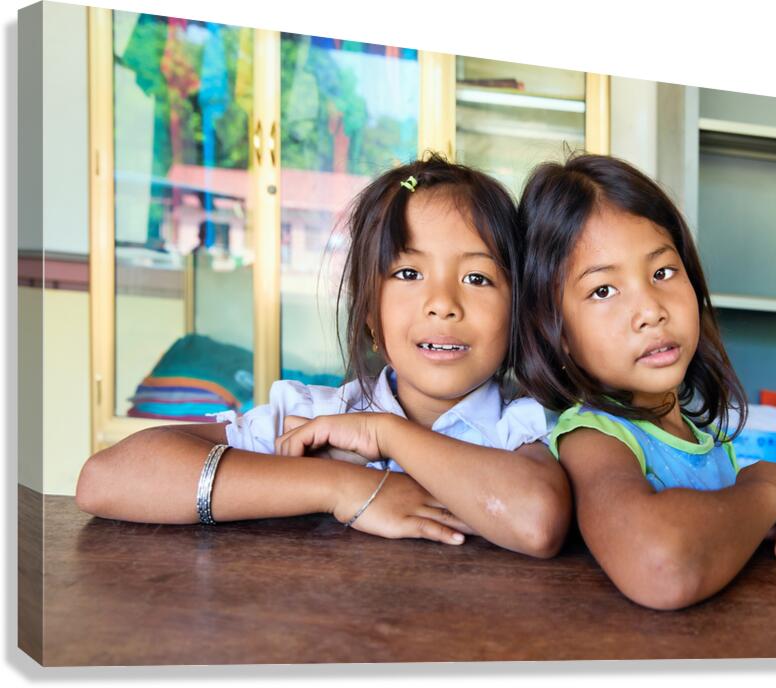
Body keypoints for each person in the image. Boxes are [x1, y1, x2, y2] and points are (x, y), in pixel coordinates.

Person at [76, 154, 571, 559]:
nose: (442, 303)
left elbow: (536, 521)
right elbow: (106, 479)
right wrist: (342, 486)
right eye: (407, 274)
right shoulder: (316, 420)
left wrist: (387, 435)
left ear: (518, 311)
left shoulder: (525, 428)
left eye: (477, 278)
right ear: (370, 313)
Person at [515, 153, 776, 606]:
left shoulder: (707, 442)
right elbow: (661, 565)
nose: (651, 310)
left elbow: (737, 522)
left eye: (662, 272)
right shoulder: (592, 439)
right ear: (556, 331)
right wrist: (772, 490)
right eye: (603, 290)